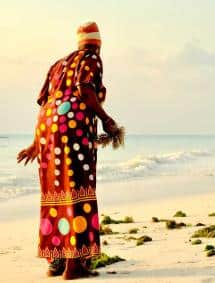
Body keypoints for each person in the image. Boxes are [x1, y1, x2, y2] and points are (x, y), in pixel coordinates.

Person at [17, 21, 124, 280]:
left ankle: (55, 261)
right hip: (73, 128)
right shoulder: (92, 59)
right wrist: (106, 119)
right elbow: (85, 90)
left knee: (56, 190)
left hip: (48, 128)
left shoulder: (58, 64)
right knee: (78, 188)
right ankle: (75, 266)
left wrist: (36, 141)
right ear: (97, 44)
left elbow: (45, 102)